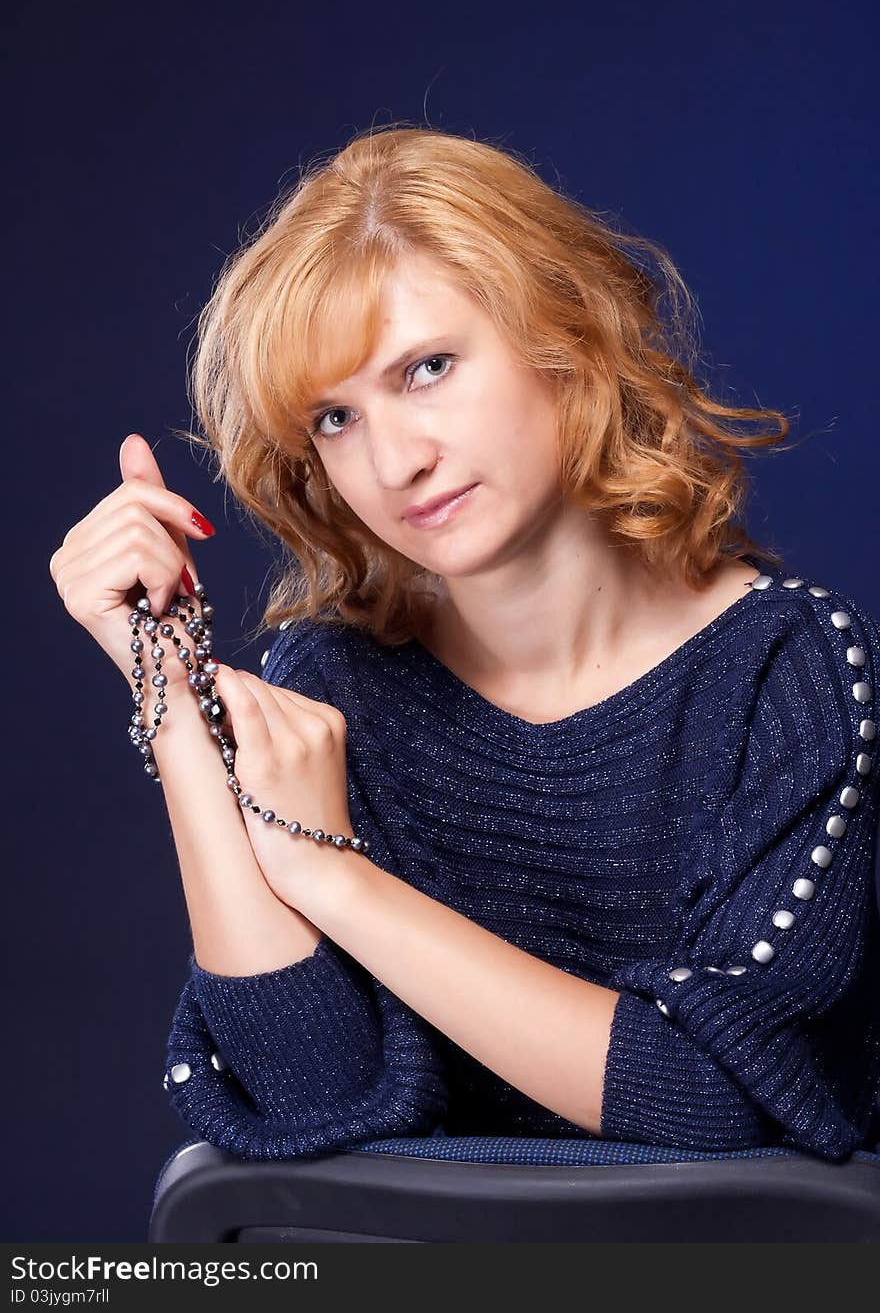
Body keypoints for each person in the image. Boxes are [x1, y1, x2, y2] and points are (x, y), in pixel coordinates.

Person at [51, 124, 880, 1165]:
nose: (395, 459)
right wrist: (167, 694)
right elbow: (309, 1109)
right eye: (335, 419)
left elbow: (721, 1100)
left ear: (566, 340)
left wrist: (334, 877)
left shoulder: (789, 671)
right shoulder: (334, 684)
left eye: (427, 368)